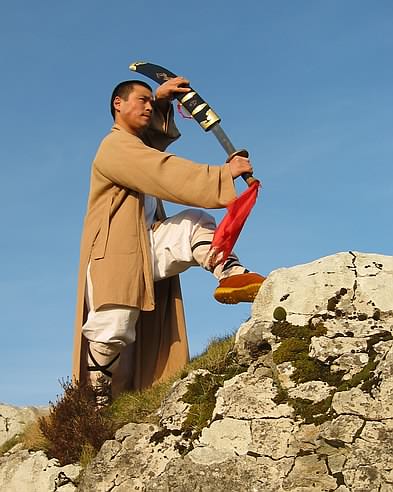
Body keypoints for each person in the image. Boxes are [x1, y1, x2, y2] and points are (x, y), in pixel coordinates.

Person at [72, 77, 265, 399]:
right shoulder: (114, 146)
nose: (147, 106)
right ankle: (95, 401)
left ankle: (231, 274)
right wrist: (222, 174)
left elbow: (151, 144)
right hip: (115, 252)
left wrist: (161, 100)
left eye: (151, 102)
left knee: (193, 224)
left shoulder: (135, 144)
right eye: (141, 100)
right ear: (118, 104)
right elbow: (162, 169)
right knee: (112, 329)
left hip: (147, 243)